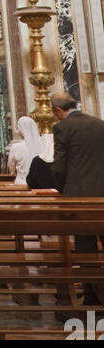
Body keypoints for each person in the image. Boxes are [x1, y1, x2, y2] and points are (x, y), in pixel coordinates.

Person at [50, 92, 104, 304]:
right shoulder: (100, 124)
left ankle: (91, 295)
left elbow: (60, 166)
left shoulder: (63, 128)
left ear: (57, 111)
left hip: (79, 198)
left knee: (86, 248)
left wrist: (61, 189)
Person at [6, 115, 53, 187]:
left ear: (21, 130)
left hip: (21, 182)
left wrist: (14, 172)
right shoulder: (44, 144)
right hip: (39, 183)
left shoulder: (16, 147)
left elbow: (11, 167)